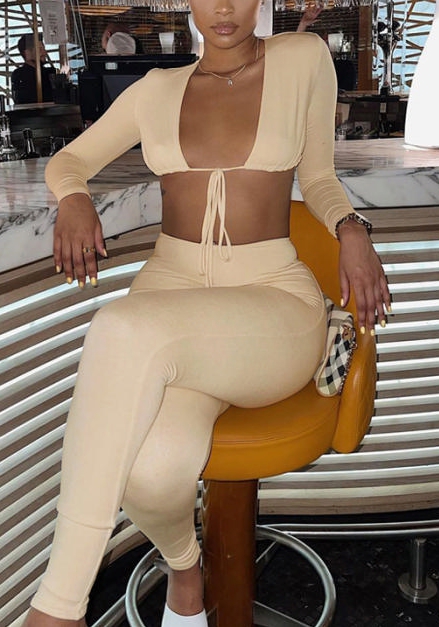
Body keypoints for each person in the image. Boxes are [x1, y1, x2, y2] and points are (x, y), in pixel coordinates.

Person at [23, 2, 390, 627]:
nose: (224, 8)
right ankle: (185, 566)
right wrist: (74, 198)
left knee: (121, 327)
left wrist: (351, 228)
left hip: (271, 296)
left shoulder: (302, 59)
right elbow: (69, 161)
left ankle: (57, 608)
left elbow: (319, 178)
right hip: (173, 289)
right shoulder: (155, 90)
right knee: (149, 473)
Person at [11, 33, 55, 104]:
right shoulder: (19, 75)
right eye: (40, 49)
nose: (44, 52)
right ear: (27, 53)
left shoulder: (50, 72)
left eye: (44, 49)